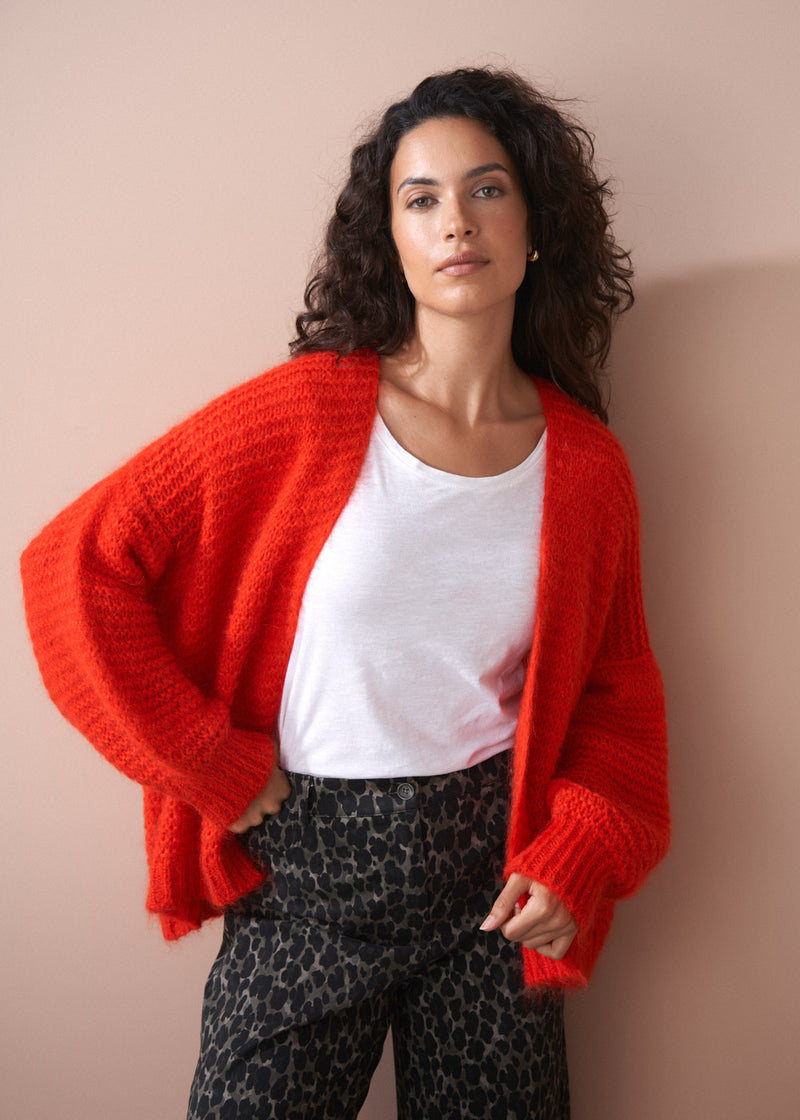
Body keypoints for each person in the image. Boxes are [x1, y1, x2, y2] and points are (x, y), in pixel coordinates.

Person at [21, 67, 669, 1119]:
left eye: (486, 188)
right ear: (392, 237)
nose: (454, 220)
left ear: (535, 223)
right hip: (307, 868)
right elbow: (70, 568)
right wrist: (206, 759)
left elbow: (613, 692)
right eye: (420, 199)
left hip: (488, 887)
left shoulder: (587, 467)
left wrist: (579, 852)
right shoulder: (303, 413)